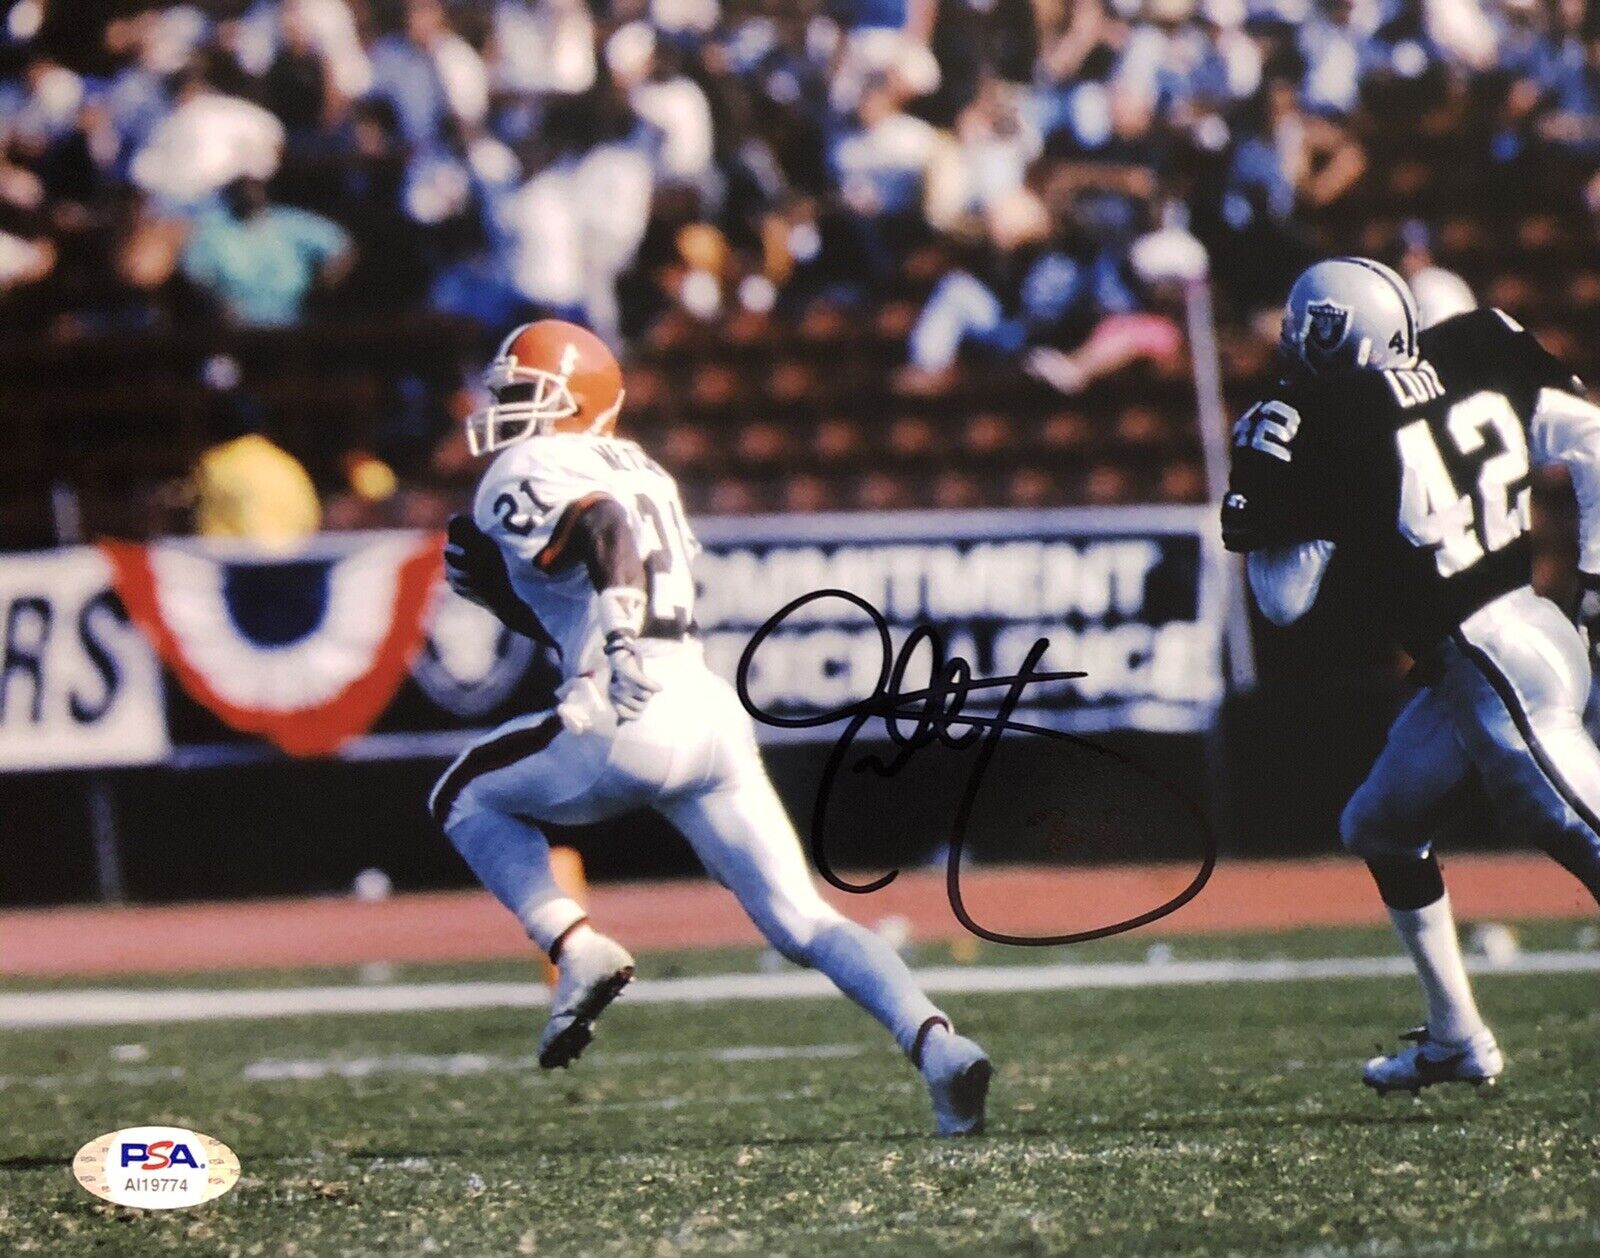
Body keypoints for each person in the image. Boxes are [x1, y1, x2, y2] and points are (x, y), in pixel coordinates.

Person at [429, 320, 992, 1135]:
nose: (507, 412)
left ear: (576, 400)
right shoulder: (643, 465)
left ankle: (574, 941)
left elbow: (605, 533)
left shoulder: (532, 465)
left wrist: (617, 637)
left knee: (463, 795)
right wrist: (507, 598)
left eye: (524, 395)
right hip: (704, 710)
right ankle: (938, 1044)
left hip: (624, 707)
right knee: (806, 920)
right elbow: (581, 589)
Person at [1223, 257, 1600, 1095]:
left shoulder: (1323, 418)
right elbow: (1587, 437)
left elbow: (1283, 603)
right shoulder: (1473, 351)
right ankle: (1457, 1036)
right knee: (1382, 824)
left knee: (1588, 835)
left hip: (1489, 657)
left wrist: (1311, 522)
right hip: (1517, 633)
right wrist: (1596, 581)